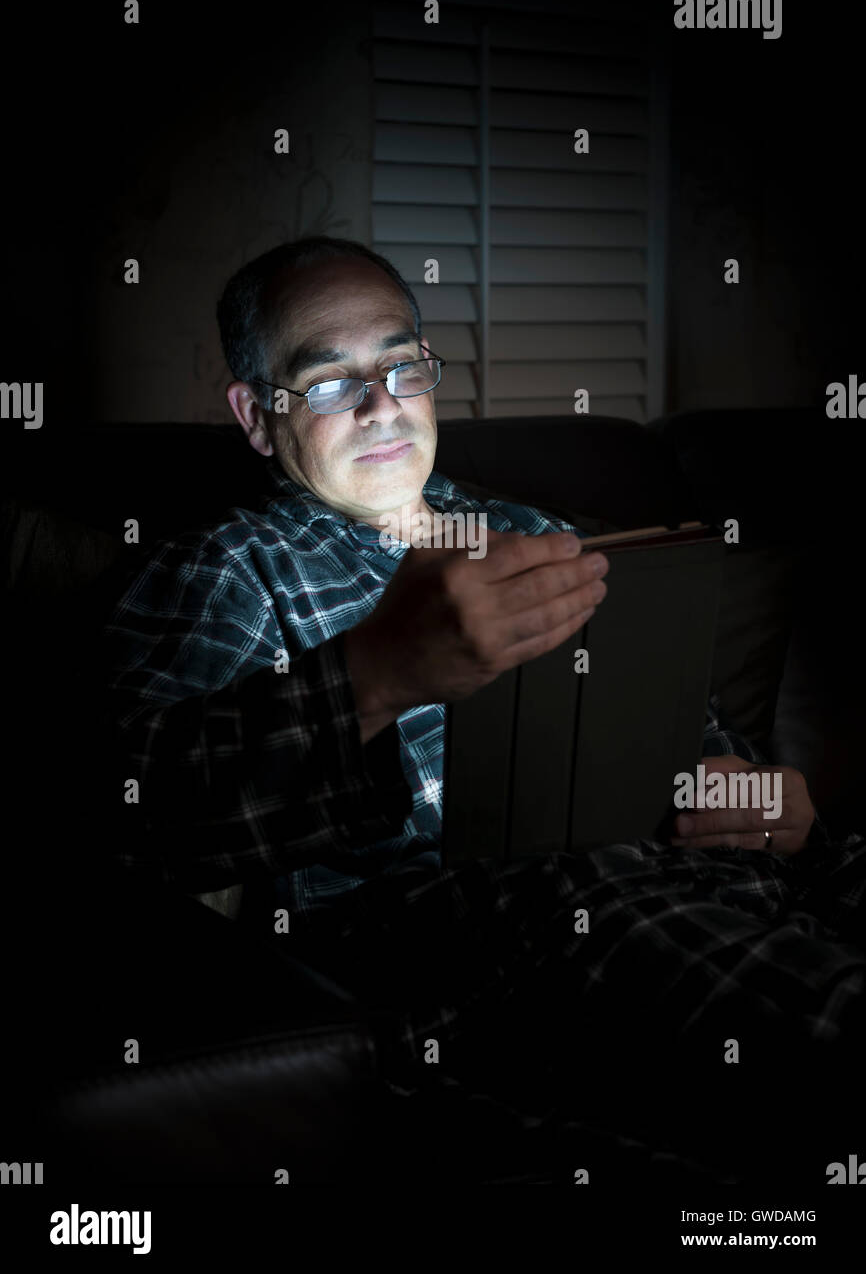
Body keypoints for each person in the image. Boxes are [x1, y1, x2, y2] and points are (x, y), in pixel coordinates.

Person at [100, 236, 866, 1181]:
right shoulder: (230, 569)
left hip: (731, 885)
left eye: (399, 364)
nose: (381, 404)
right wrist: (373, 675)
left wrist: (780, 814)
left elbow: (701, 754)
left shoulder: (540, 538)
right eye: (330, 382)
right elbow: (136, 816)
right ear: (259, 418)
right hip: (513, 929)